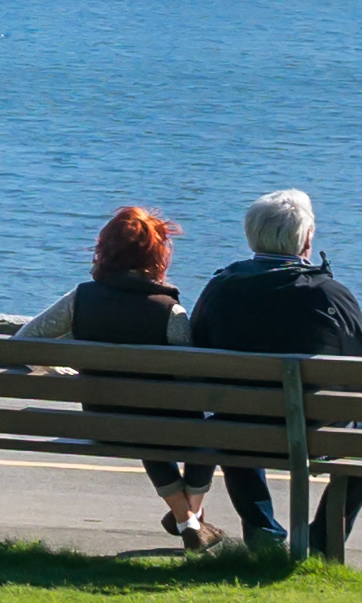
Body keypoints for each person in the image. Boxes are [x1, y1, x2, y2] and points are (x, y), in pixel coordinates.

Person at [183, 186, 362, 560]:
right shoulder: (329, 294)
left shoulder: (221, 289)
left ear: (251, 235)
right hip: (313, 428)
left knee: (234, 418)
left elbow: (198, 352)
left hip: (240, 425)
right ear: (306, 239)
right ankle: (321, 541)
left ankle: (263, 531)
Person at [13, 205, 217, 551]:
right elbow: (192, 378)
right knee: (205, 426)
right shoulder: (170, 311)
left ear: (104, 251)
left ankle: (187, 520)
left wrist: (60, 369)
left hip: (103, 421)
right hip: (166, 426)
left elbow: (22, 344)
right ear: (158, 255)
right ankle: (190, 519)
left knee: (141, 424)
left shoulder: (81, 299)